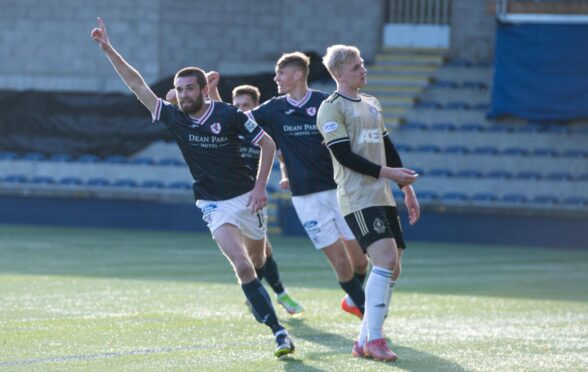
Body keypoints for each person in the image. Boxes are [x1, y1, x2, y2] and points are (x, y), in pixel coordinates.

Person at [90, 17, 295, 358]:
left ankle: (266, 290)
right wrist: (108, 49)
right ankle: (278, 331)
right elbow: (137, 84)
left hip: (248, 198)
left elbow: (269, 145)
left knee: (258, 260)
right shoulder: (175, 116)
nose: (183, 94)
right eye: (179, 89)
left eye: (189, 89)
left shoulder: (229, 114)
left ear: (202, 90)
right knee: (242, 266)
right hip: (213, 204)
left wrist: (261, 188)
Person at [317, 44, 420, 362]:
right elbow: (344, 156)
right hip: (357, 196)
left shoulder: (372, 103)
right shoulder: (331, 108)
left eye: (362, 64)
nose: (363, 69)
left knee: (394, 268)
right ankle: (376, 339)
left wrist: (405, 188)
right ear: (338, 74)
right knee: (386, 261)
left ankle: (363, 341)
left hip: (383, 196)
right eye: (356, 66)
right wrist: (388, 173)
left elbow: (387, 146)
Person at [165, 82, 304, 316]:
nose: (240, 107)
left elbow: (280, 155)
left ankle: (267, 295)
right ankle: (273, 294)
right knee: (257, 252)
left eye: (246, 104)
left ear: (255, 106)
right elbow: (214, 110)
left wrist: (286, 175)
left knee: (261, 253)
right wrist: (176, 100)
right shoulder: (227, 124)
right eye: (237, 103)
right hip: (227, 198)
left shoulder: (256, 130)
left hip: (250, 196)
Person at [248, 52, 369, 319]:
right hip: (305, 199)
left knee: (360, 261)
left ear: (298, 74)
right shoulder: (274, 108)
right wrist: (210, 99)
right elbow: (238, 120)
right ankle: (372, 320)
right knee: (340, 263)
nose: (275, 78)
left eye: (280, 73)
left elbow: (355, 133)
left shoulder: (325, 103)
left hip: (340, 191)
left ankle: (354, 300)